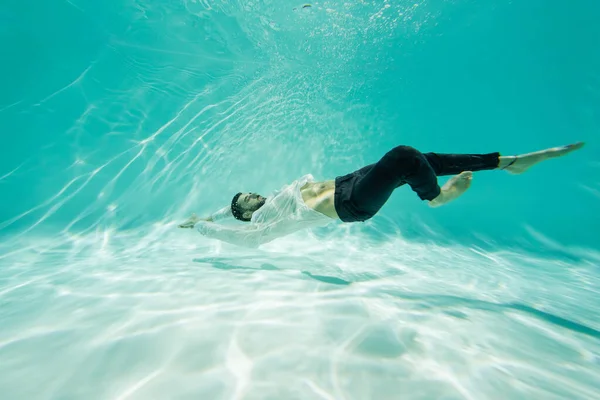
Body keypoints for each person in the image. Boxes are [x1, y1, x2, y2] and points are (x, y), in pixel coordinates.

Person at [178, 142, 584, 248]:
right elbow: (239, 236)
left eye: (246, 193)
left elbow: (227, 209)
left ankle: (506, 162)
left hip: (346, 181)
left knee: (423, 159)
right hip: (349, 204)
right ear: (246, 213)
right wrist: (203, 227)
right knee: (405, 156)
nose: (249, 195)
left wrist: (211, 213)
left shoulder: (274, 196)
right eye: (244, 201)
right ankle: (436, 199)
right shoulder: (264, 224)